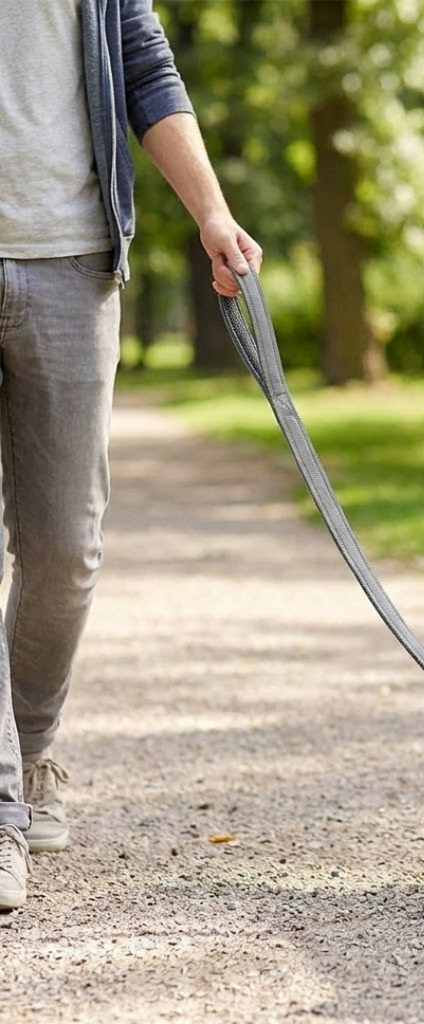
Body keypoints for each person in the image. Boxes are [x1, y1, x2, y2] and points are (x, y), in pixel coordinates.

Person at [0, 0, 262, 910]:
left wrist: (213, 213)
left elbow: (144, 67)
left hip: (73, 259)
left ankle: (31, 753)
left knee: (66, 552)